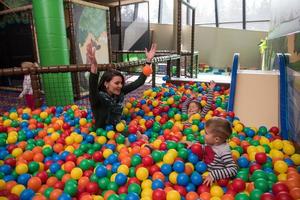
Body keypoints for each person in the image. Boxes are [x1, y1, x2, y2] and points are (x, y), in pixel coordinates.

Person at [88, 42, 157, 131]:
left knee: (139, 134)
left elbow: (138, 82)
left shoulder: (119, 93)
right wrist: (94, 67)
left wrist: (148, 61)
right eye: (116, 83)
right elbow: (92, 88)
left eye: (121, 83)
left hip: (118, 130)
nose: (120, 86)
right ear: (106, 84)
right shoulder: (97, 98)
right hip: (102, 135)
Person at [192, 117, 238, 186]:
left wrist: (213, 175)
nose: (204, 135)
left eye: (206, 133)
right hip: (203, 170)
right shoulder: (211, 142)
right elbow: (207, 149)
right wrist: (194, 146)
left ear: (216, 139)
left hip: (215, 181)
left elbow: (233, 170)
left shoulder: (223, 151)